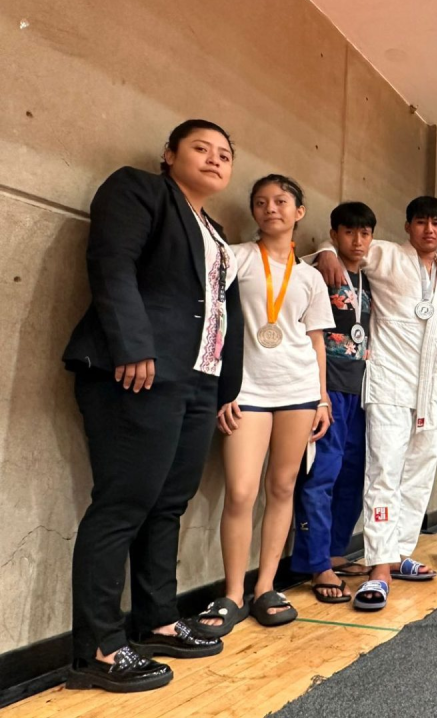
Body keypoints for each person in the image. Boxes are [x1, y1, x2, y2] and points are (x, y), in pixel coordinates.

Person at [63, 120, 241, 692]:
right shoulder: (138, 190)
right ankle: (98, 648)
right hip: (139, 370)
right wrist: (132, 346)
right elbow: (111, 263)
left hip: (197, 382)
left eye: (224, 154)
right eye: (200, 148)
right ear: (169, 154)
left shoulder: (215, 230)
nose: (214, 159)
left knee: (168, 505)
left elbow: (223, 310)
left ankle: (157, 620)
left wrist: (225, 388)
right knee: (123, 504)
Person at [198, 175, 334, 633]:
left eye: (281, 201)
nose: (270, 208)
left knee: (282, 488)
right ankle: (233, 593)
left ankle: (266, 587)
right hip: (246, 391)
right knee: (240, 492)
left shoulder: (310, 276)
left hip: (298, 391)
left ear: (299, 212)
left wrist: (322, 398)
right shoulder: (235, 257)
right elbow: (214, 322)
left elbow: (316, 342)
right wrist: (222, 391)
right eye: (260, 202)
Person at [313, 196, 437, 612]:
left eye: (436, 223)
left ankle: (398, 553)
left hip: (431, 390)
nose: (429, 230)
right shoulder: (387, 255)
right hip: (390, 384)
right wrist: (325, 252)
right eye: (421, 222)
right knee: (384, 473)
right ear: (408, 226)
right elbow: (342, 247)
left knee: (418, 475)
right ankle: (378, 564)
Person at [291, 202, 376, 602]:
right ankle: (316, 563)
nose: (357, 241)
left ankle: (336, 552)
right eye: (348, 232)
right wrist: (324, 251)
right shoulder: (317, 269)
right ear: (334, 233)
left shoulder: (370, 278)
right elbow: (303, 260)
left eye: (365, 233)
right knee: (321, 473)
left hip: (363, 389)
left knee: (354, 474)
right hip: (326, 388)